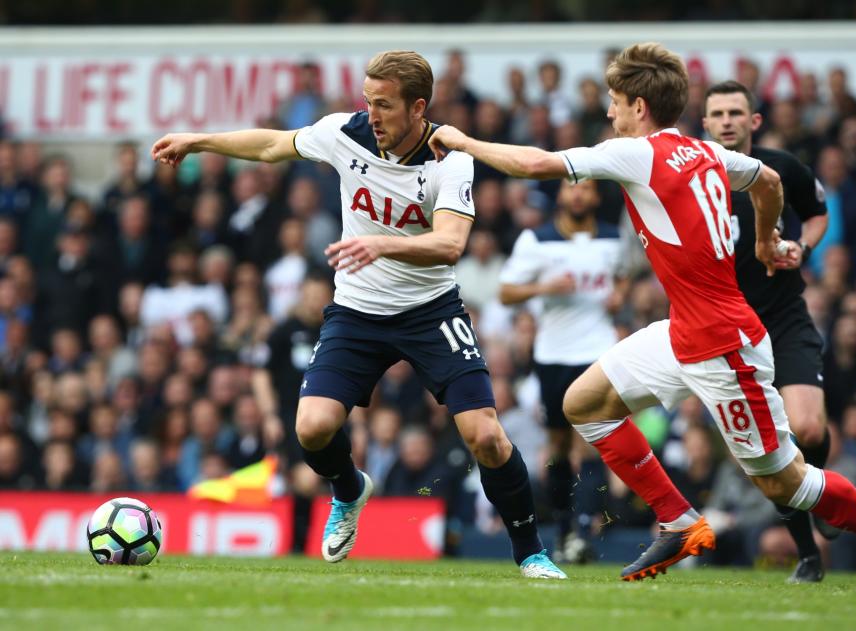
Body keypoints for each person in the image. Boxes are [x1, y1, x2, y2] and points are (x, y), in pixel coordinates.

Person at [430, 42, 856, 591]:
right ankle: (678, 520)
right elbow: (769, 182)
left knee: (787, 485)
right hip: (685, 332)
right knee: (582, 403)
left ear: (638, 105)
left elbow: (536, 163)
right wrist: (769, 239)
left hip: (724, 347)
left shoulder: (637, 152)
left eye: (613, 102)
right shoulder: (707, 153)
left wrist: (461, 140)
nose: (608, 113)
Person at [152, 50, 565, 579]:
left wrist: (382, 246)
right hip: (357, 312)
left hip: (429, 310)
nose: (372, 115)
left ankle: (530, 552)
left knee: (485, 435)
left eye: (385, 105)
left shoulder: (450, 158)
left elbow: (450, 244)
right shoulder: (345, 134)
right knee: (313, 428)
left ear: (418, 108)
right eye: (368, 102)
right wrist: (199, 139)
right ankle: (348, 490)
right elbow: (274, 144)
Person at [701, 80, 830, 583]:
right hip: (729, 329)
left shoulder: (783, 169)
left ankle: (822, 495)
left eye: (737, 112)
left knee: (810, 432)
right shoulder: (695, 177)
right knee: (772, 455)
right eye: (718, 113)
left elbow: (818, 214)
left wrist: (802, 247)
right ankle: (808, 554)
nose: (728, 120)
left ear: (754, 121)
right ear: (706, 124)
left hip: (782, 317)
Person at [498, 177, 626, 561]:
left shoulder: (613, 238)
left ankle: (585, 529)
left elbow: (625, 275)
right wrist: (544, 288)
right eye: (572, 187)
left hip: (597, 351)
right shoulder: (536, 240)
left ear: (596, 196)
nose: (579, 194)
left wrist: (620, 292)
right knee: (557, 447)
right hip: (553, 353)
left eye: (586, 188)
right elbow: (506, 292)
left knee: (591, 441)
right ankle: (565, 530)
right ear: (561, 196)